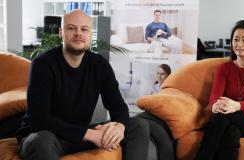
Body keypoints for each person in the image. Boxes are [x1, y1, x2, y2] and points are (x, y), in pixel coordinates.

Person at [16, 10, 149, 160]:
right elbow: (39, 120)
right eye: (71, 28)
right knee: (42, 141)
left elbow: (117, 106)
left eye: (84, 29)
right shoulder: (43, 64)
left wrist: (119, 127)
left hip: (78, 136)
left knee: (137, 126)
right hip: (44, 137)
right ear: (61, 32)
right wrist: (91, 134)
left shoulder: (99, 64)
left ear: (90, 34)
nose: (78, 33)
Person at [195, 20, 244, 160]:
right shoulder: (224, 69)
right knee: (231, 133)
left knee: (221, 116)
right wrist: (215, 106)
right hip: (226, 117)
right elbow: (214, 97)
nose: (239, 44)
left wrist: (236, 105)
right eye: (236, 39)